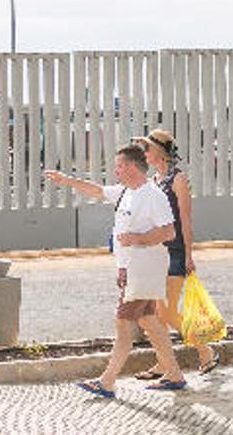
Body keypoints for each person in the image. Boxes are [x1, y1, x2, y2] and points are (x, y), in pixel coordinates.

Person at [45, 143, 186, 398]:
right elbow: (97, 190)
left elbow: (169, 232)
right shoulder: (125, 191)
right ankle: (174, 374)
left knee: (123, 322)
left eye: (120, 165)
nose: (116, 170)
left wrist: (137, 238)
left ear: (133, 167)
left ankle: (107, 381)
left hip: (144, 268)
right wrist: (67, 180)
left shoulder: (153, 195)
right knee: (148, 321)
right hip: (132, 268)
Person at [128, 129, 219, 380]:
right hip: (157, 253)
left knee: (165, 313)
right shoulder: (155, 181)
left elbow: (186, 219)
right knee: (159, 314)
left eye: (147, 148)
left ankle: (205, 350)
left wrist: (189, 255)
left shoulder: (178, 179)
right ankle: (163, 363)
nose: (144, 153)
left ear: (160, 152)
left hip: (176, 252)